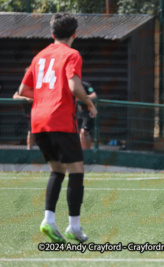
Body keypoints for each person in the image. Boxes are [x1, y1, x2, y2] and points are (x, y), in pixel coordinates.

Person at [19, 12, 97, 243]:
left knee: (57, 170)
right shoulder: (72, 54)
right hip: (60, 120)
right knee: (76, 171)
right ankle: (74, 226)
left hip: (38, 122)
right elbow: (74, 86)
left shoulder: (39, 56)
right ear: (74, 34)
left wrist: (45, 96)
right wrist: (90, 103)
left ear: (52, 33)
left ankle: (49, 220)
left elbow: (23, 90)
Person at [77, 81, 97, 149]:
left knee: (84, 132)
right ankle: (85, 150)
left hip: (88, 112)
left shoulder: (86, 85)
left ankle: (86, 151)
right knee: (82, 133)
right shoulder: (70, 85)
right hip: (78, 112)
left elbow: (94, 95)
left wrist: (84, 97)